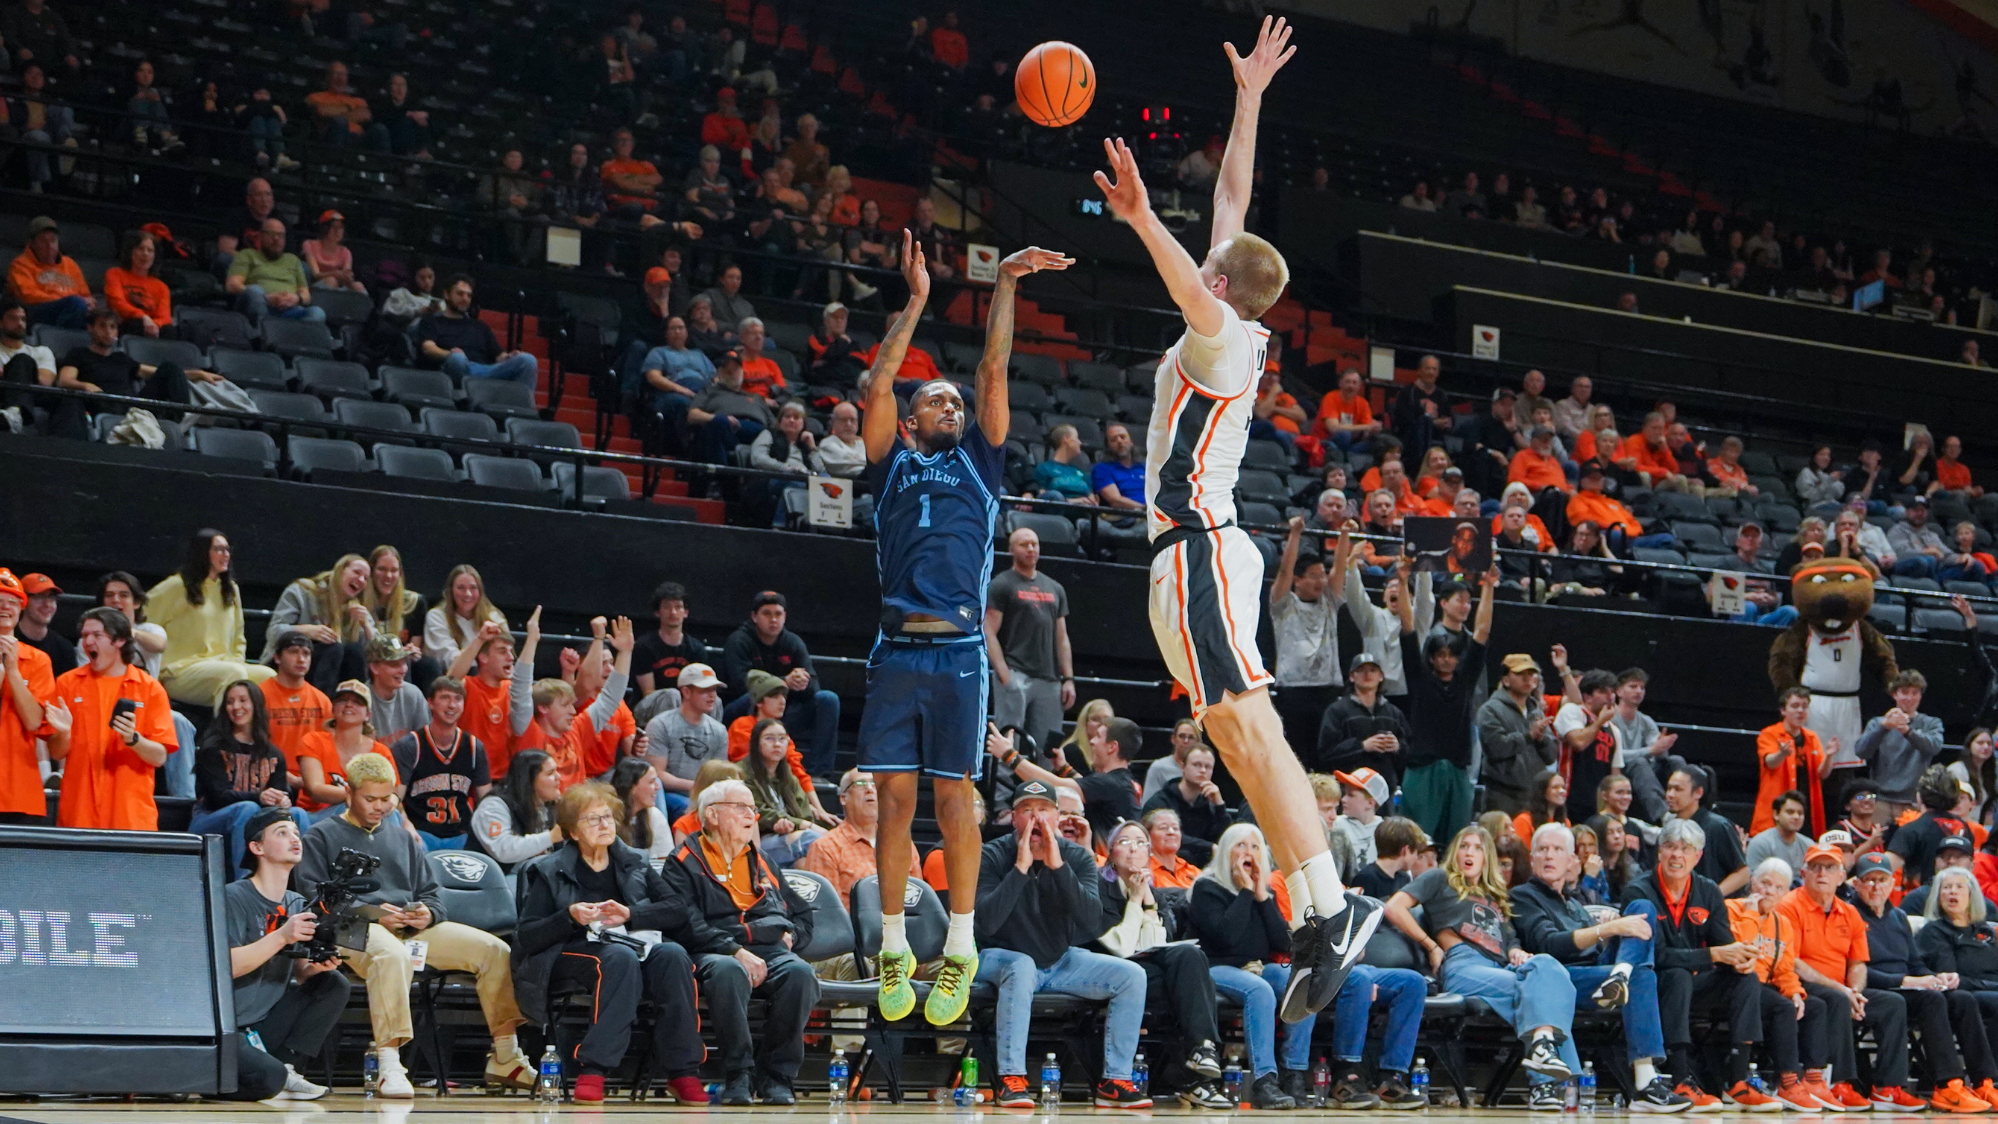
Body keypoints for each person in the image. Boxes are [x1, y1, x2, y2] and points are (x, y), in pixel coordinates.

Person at [1092, 15, 1381, 1023]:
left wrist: (1139, 218)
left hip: (1201, 551)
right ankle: (1320, 906)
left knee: (1252, 731)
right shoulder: (1236, 316)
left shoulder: (1219, 338)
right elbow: (1231, 201)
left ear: (1220, 287)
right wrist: (1249, 98)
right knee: (1239, 733)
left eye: (1208, 273)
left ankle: (1330, 904)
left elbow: (1193, 275)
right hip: (1194, 556)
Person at [849, 234, 1070, 1028]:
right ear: (912, 421)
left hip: (959, 654)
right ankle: (894, 945)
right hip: (896, 649)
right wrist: (915, 301)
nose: (954, 408)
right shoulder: (892, 466)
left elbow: (992, 370)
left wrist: (1004, 283)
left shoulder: (980, 461)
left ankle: (963, 946)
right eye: (938, 402)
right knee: (893, 799)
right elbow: (879, 381)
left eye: (957, 404)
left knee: (956, 800)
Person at [294, 752, 531, 1096]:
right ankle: (389, 1063)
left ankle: (506, 1056)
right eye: (370, 799)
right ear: (349, 792)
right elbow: (317, 899)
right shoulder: (320, 835)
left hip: (408, 927)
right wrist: (376, 914)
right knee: (392, 954)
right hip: (348, 928)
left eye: (386, 798)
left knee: (494, 950)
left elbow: (431, 894)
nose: (380, 807)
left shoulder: (403, 838)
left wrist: (428, 913)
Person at [510, 781, 706, 1106]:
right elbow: (527, 936)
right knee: (617, 957)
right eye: (593, 819)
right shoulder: (550, 870)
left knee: (673, 955)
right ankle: (594, 1070)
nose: (604, 825)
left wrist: (631, 914)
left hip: (629, 945)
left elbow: (678, 910)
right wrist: (569, 916)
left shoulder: (634, 861)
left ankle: (682, 1071)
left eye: (607, 817)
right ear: (573, 832)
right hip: (568, 953)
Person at [971, 780, 1153, 1108]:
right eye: (1027, 810)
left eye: (1043, 810)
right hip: (998, 958)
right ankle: (1011, 1078)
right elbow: (986, 923)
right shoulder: (991, 854)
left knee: (1132, 976)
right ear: (1013, 818)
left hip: (1058, 960)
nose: (1036, 818)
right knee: (1021, 965)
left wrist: (1058, 867)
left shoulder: (1077, 858)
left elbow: (1091, 921)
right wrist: (1020, 869)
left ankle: (1115, 1080)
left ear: (1057, 817)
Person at [1383, 825, 1578, 1110]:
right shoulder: (1439, 878)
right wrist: (1430, 945)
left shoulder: (1495, 895)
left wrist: (1516, 951)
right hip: (1463, 964)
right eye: (1464, 846)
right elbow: (1393, 907)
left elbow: (1509, 940)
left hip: (1500, 968)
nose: (1469, 853)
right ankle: (1551, 1083)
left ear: (1487, 857)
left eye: (1477, 848)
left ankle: (1543, 1056)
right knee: (1542, 993)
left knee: (1548, 966)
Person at [661, 778, 821, 1105]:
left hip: (769, 949)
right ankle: (739, 1073)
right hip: (713, 950)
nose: (752, 815)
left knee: (801, 974)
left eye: (753, 808)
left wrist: (792, 936)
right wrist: (735, 950)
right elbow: (685, 924)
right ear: (712, 815)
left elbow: (802, 913)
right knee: (728, 972)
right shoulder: (682, 861)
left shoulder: (760, 859)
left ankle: (777, 1076)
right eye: (741, 807)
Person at [1512, 823, 1692, 1112]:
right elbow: (1549, 944)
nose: (1549, 855)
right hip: (1559, 977)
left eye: (1557, 849)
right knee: (1640, 975)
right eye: (1542, 849)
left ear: (1572, 861)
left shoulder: (1574, 902)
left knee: (1642, 908)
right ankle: (1646, 1082)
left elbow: (1597, 946)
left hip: (1597, 971)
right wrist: (1607, 930)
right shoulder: (1523, 896)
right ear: (1532, 859)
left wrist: (1611, 930)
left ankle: (1621, 974)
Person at [1619, 817, 1759, 1108]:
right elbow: (1657, 956)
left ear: (1698, 856)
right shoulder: (1638, 891)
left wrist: (1740, 959)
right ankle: (1681, 1079)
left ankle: (1737, 1081)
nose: (1677, 855)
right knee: (1677, 974)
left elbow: (1724, 945)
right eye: (1670, 846)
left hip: (1694, 985)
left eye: (1686, 849)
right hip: (1653, 987)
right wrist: (1713, 955)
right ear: (1659, 851)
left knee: (1746, 979)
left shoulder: (1708, 891)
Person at [1093, 820, 1231, 1108]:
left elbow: (1155, 946)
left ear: (1149, 854)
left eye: (1141, 843)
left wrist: (1147, 901)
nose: (1134, 849)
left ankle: (1202, 1051)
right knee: (1189, 987)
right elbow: (1121, 948)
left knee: (1190, 958)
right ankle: (1197, 1077)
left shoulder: (1155, 894)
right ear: (1111, 853)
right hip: (1108, 971)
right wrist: (1134, 901)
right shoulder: (1098, 887)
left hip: (1147, 972)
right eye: (1125, 842)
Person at [1778, 843, 1925, 1111]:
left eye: (1829, 867)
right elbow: (1793, 962)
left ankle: (1888, 1088)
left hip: (1843, 989)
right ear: (1804, 873)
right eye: (1815, 867)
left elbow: (1858, 964)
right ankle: (1840, 1083)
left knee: (1892, 1003)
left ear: (1841, 877)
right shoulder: (1789, 906)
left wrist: (1855, 991)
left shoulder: (1850, 912)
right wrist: (1843, 991)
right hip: (1801, 985)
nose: (1822, 873)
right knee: (1837, 999)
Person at [1850, 854, 1998, 1113]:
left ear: (1891, 883)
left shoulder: (1898, 916)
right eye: (1869, 880)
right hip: (1875, 987)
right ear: (1856, 884)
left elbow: (1915, 962)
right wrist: (1905, 979)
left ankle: (1983, 1081)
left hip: (1907, 987)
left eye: (1882, 880)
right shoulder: (1849, 915)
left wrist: (1933, 977)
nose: (1876, 887)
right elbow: (1854, 969)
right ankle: (1948, 1084)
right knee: (1930, 999)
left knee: (1961, 998)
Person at [222, 811, 349, 1102]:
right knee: (268, 1080)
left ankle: (288, 1067)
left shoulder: (297, 903)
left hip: (265, 1023)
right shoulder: (233, 897)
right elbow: (228, 967)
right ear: (257, 847)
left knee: (333, 983)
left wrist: (318, 966)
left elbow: (302, 973)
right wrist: (282, 936)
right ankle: (233, 1078)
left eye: (295, 833)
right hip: (230, 1026)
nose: (294, 838)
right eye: (281, 833)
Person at [1191, 823, 1321, 1107]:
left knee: (1304, 981)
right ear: (1226, 851)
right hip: (1215, 967)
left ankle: (1294, 1072)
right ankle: (1264, 1080)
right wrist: (1246, 893)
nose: (1248, 853)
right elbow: (1225, 938)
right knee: (1259, 991)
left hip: (1257, 966)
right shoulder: (1206, 887)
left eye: (1254, 846)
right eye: (1240, 845)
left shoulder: (1264, 892)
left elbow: (1283, 944)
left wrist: (1262, 896)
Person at [1724, 858, 1838, 1111]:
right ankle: (1787, 1081)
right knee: (1782, 1007)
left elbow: (1784, 970)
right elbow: (1742, 951)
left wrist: (1795, 992)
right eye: (1765, 883)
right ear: (1753, 882)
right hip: (1734, 982)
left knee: (1814, 1005)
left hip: (1764, 986)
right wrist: (1751, 913)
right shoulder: (1731, 908)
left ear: (1785, 893)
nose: (1769, 891)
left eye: (1778, 888)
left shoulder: (1781, 924)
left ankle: (1813, 1079)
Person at [44, 608, 172, 829]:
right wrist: (64, 732)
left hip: (131, 817)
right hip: (79, 814)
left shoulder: (150, 689)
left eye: (97, 635)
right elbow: (56, 752)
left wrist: (133, 739)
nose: (88, 642)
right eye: (85, 635)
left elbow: (159, 756)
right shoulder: (67, 684)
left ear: (120, 640)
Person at [1397, 568, 1497, 845]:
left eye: (1452, 655)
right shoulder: (1419, 679)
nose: (1446, 660)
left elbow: (1482, 630)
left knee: (1455, 842)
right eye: (1440, 655)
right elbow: (1407, 625)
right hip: (1423, 769)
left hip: (1457, 768)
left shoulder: (1464, 680)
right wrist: (1403, 581)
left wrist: (1489, 586)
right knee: (1418, 841)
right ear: (1430, 658)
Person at [192, 679, 311, 878]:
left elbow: (280, 792)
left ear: (256, 705)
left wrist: (282, 800)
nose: (235, 707)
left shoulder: (273, 753)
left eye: (242, 700)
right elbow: (217, 798)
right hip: (208, 818)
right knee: (247, 809)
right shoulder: (212, 748)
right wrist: (260, 797)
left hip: (256, 817)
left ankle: (304, 884)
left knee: (298, 814)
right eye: (230, 702)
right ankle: (245, 884)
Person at [719, 591, 841, 778]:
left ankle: (820, 772)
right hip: (746, 712)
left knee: (827, 699)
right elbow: (742, 685)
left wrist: (802, 681)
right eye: (767, 614)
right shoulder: (739, 641)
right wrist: (785, 682)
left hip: (783, 712)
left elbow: (814, 687)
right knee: (749, 698)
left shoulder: (793, 642)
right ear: (754, 617)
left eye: (778, 614)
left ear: (785, 616)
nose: (773, 619)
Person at [510, 611, 630, 791]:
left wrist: (626, 652)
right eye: (565, 705)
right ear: (543, 708)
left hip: (575, 806)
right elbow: (520, 688)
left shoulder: (577, 730)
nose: (573, 711)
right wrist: (532, 640)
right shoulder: (527, 731)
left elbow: (611, 697)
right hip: (541, 806)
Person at [985, 526, 1074, 760]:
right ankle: (1002, 785)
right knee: (1008, 742)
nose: (1031, 548)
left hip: (1049, 679)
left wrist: (1068, 679)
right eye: (1024, 544)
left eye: (1034, 544)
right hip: (1016, 673)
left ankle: (1044, 784)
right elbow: (988, 631)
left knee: (1048, 750)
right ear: (1011, 549)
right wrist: (1004, 674)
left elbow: (1062, 637)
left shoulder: (1055, 588)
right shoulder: (1001, 584)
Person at [1916, 865, 1998, 1109]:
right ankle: (1986, 1082)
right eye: (1947, 888)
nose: (1953, 892)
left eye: (1959, 887)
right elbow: (1952, 978)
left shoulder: (1986, 931)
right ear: (1937, 895)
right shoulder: (1934, 931)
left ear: (1971, 895)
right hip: (1959, 996)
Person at [1269, 518, 1346, 753]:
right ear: (1298, 580)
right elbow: (1285, 570)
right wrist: (1295, 534)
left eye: (1322, 575)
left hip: (1328, 688)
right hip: (1294, 689)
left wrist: (1344, 535)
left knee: (1327, 753)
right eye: (1313, 575)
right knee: (1297, 753)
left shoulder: (1329, 602)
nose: (1321, 580)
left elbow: (1339, 568)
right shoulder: (1284, 604)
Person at [388, 676, 490, 851]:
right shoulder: (410, 746)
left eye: (458, 699)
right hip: (421, 833)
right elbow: (394, 799)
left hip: (460, 834)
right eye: (445, 698)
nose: (452, 705)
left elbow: (487, 801)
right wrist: (406, 825)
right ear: (430, 703)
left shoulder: (474, 747)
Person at [416, 275, 537, 388]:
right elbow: (428, 348)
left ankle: (521, 403)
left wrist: (509, 357)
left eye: (468, 295)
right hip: (453, 367)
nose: (465, 299)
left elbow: (499, 356)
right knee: (457, 359)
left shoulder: (480, 326)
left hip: (484, 370)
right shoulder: (431, 321)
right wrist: (450, 354)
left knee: (528, 360)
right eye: (460, 294)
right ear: (446, 295)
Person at [1855, 669, 1945, 821]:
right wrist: (1883, 728)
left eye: (1914, 693)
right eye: (1904, 692)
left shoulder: (1931, 723)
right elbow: (1861, 751)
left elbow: (1934, 747)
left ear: (1920, 696)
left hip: (1913, 801)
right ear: (1894, 694)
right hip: (1881, 799)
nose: (1909, 698)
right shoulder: (1878, 723)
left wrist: (1907, 731)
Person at [1478, 652, 1560, 817]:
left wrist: (1542, 739)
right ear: (1506, 680)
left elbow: (1551, 756)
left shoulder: (1536, 711)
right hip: (1502, 794)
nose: (1527, 678)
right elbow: (1496, 748)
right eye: (1520, 673)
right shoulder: (1490, 709)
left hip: (1533, 795)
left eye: (1531, 673)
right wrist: (1529, 736)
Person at [1317, 647, 1413, 785]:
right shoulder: (1337, 711)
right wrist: (1362, 746)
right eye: (1361, 670)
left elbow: (1411, 750)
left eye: (1373, 670)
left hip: (1386, 787)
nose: (1367, 674)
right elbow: (1326, 753)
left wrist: (1398, 747)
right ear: (1352, 676)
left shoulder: (1393, 713)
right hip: (1350, 787)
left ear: (1381, 676)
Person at [644, 662, 728, 816]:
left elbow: (719, 773)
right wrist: (695, 786)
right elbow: (657, 774)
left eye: (714, 690)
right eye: (705, 690)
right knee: (688, 808)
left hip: (705, 795)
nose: (712, 696)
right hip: (668, 795)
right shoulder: (660, 724)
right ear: (686, 692)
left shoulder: (719, 730)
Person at [0, 570, 51, 825]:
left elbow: (34, 722)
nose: (4, 607)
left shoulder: (37, 660)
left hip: (19, 790)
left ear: (21, 610)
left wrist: (12, 672)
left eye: (12, 601)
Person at [469, 749, 564, 871]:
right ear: (529, 779)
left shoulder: (550, 802)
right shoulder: (493, 806)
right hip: (496, 876)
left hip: (536, 873)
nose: (558, 777)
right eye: (550, 773)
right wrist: (551, 837)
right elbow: (503, 850)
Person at [1892, 765, 1977, 892]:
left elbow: (1885, 868)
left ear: (1920, 796)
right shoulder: (1964, 827)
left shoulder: (1911, 830)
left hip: (1921, 899)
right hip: (1958, 895)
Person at [1142, 743, 1235, 856]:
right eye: (1197, 765)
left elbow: (1226, 837)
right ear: (1182, 766)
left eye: (1208, 767)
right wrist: (1209, 847)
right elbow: (1171, 837)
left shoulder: (1209, 803)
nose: (1202, 770)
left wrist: (1220, 805)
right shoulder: (1160, 802)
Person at [226, 219, 323, 324]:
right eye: (271, 234)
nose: (276, 239)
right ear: (260, 236)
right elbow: (232, 285)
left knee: (317, 313)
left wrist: (297, 298)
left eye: (280, 235)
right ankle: (265, 328)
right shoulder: (247, 255)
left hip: (289, 310)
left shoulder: (293, 260)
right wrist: (266, 297)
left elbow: (305, 294)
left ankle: (285, 331)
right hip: (260, 305)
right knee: (254, 291)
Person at [421, 565, 506, 675]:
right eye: (461, 588)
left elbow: (505, 656)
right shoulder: (436, 616)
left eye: (473, 588)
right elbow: (450, 660)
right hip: (451, 678)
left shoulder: (493, 617)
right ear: (451, 591)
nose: (468, 594)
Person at [9, 216, 92, 329]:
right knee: (75, 304)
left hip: (72, 307)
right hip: (36, 311)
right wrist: (64, 299)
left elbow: (85, 295)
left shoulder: (70, 264)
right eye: (43, 241)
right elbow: (28, 296)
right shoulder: (20, 264)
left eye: (53, 240)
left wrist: (90, 303)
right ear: (32, 243)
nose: (50, 246)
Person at [631, 581, 709, 698]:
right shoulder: (644, 646)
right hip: (649, 704)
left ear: (686, 612)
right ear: (657, 612)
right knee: (671, 695)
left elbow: (699, 688)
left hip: (685, 703)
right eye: (667, 607)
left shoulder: (696, 649)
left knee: (714, 699)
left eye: (678, 607)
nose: (673, 612)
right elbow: (648, 693)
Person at [104, 228, 174, 337]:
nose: (145, 254)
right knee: (136, 324)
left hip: (150, 327)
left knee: (169, 330)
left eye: (150, 250)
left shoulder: (161, 287)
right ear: (131, 252)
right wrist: (142, 317)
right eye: (140, 248)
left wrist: (154, 325)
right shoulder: (115, 274)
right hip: (124, 323)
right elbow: (117, 303)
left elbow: (165, 317)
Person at [1324, 766, 1388, 882]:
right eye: (1344, 793)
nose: (1343, 799)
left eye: (1351, 795)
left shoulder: (1387, 830)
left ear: (1370, 803)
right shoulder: (1334, 824)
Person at [1746, 790, 1814, 875]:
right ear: (1776, 814)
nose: (1796, 817)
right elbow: (1753, 879)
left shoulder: (1809, 845)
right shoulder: (1761, 843)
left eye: (1800, 813)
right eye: (1790, 812)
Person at [301, 211, 363, 292]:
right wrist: (335, 273)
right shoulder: (310, 245)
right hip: (315, 288)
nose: (338, 231)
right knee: (331, 280)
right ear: (324, 229)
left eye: (341, 227)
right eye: (334, 227)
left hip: (339, 286)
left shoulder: (345, 251)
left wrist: (348, 276)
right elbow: (316, 274)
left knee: (358, 285)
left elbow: (346, 272)